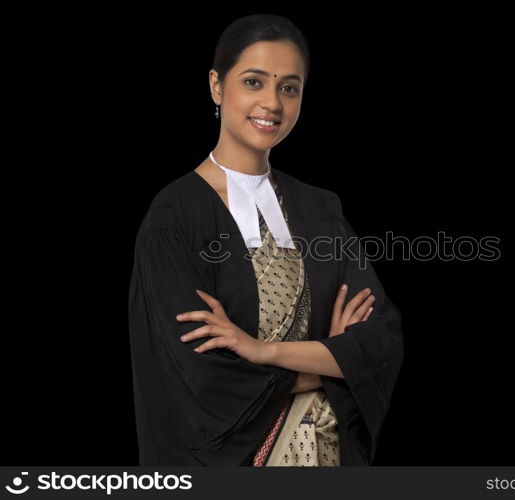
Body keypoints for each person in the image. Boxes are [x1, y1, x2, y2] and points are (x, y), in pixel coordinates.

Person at [128, 14, 403, 466]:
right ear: (217, 86)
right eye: (254, 82)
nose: (272, 103)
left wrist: (263, 351)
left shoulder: (320, 209)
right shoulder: (175, 218)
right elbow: (201, 381)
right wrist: (325, 359)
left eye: (289, 88)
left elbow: (380, 344)